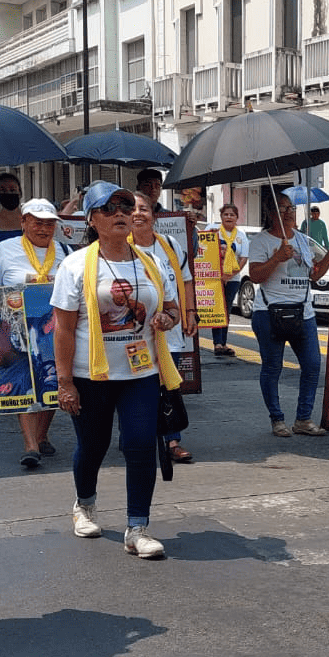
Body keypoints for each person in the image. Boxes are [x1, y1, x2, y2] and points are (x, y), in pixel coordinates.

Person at [50, 181, 183, 558]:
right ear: (92, 219)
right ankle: (85, 504)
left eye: (125, 206)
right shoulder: (75, 266)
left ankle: (137, 527)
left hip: (141, 372)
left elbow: (171, 308)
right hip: (91, 374)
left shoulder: (151, 262)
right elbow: (62, 327)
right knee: (93, 445)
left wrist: (167, 320)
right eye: (109, 209)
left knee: (140, 444)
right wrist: (64, 383)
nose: (121, 213)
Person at [0, 197, 69, 467]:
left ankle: (42, 435)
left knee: (52, 382)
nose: (43, 229)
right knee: (23, 384)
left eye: (49, 224)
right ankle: (30, 444)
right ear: (23, 222)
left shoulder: (65, 251)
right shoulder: (5, 250)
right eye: (37, 223)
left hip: (53, 330)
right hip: (15, 331)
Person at [249, 184, 329, 437]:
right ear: (270, 212)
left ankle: (303, 419)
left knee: (313, 365)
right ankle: (277, 419)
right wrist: (276, 259)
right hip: (269, 312)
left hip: (303, 313)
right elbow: (255, 275)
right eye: (282, 208)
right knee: (272, 368)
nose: (288, 213)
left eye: (291, 208)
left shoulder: (304, 241)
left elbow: (315, 275)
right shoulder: (261, 241)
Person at [130, 192, 198, 463]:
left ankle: (172, 441)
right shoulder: (120, 249)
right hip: (133, 336)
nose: (138, 214)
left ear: (154, 215)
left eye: (144, 209)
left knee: (169, 387)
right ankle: (136, 439)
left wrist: (190, 312)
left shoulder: (170, 245)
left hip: (169, 332)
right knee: (137, 389)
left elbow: (187, 280)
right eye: (132, 209)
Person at [211, 202, 248, 357]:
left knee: (226, 310)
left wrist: (229, 275)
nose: (228, 217)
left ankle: (223, 343)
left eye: (232, 215)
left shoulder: (241, 236)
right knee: (216, 310)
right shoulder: (212, 230)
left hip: (233, 278)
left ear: (237, 218)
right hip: (213, 277)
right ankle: (217, 343)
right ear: (221, 217)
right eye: (225, 214)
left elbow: (243, 258)